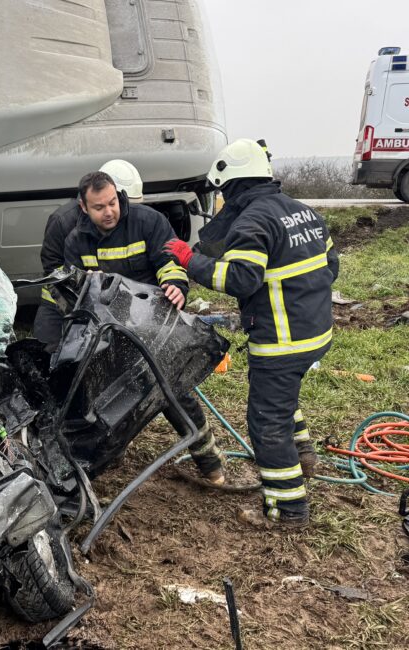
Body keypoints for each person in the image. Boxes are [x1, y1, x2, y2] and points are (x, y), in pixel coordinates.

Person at [164, 139, 338, 527]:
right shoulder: (303, 211)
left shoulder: (252, 221)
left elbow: (240, 279)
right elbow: (332, 266)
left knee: (267, 423)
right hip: (316, 331)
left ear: (232, 185)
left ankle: (287, 510)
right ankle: (303, 453)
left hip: (282, 341)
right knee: (280, 396)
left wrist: (190, 260)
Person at [61, 170, 226, 484]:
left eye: (112, 202)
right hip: (111, 332)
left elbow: (169, 262)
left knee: (172, 393)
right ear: (84, 207)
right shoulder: (76, 241)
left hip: (154, 326)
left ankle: (209, 462)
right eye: (99, 207)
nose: (109, 211)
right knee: (107, 401)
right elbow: (76, 295)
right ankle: (108, 457)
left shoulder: (148, 221)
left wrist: (176, 286)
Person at [33, 159, 144, 349]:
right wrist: (82, 281)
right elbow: (53, 271)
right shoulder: (62, 222)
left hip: (109, 301)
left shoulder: (131, 222)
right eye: (100, 206)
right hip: (60, 301)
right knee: (50, 352)